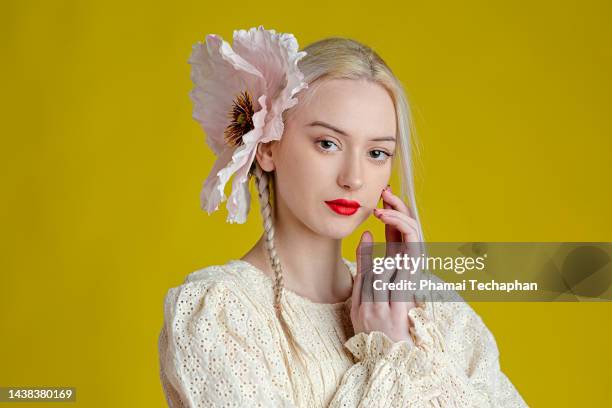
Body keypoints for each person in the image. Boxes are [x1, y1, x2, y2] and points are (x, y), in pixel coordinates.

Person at [158, 26, 528, 407]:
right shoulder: (221, 312)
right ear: (267, 147)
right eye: (328, 144)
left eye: (377, 153)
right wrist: (387, 354)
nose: (353, 178)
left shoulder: (428, 305)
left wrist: (399, 339)